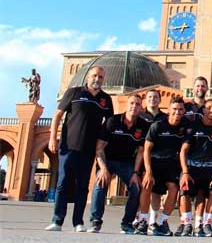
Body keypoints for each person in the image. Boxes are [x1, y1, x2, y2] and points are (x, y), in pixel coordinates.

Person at [46, 66, 113, 232]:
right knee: (62, 183)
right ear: (88, 77)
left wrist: (102, 143)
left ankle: (78, 222)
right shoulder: (74, 92)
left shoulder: (105, 99)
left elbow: (110, 123)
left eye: (101, 77)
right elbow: (57, 116)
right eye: (94, 76)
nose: (97, 79)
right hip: (68, 146)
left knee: (82, 186)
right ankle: (57, 221)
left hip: (89, 149)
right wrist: (53, 138)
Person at [88, 94, 149, 234]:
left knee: (135, 187)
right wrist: (103, 168)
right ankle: (95, 220)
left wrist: (135, 173)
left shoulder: (143, 125)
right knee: (100, 184)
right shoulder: (112, 121)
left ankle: (127, 223)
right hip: (107, 160)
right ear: (127, 105)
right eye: (132, 103)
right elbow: (99, 148)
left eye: (138, 104)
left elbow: (141, 152)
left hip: (127, 163)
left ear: (141, 107)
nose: (134, 106)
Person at [142, 97, 191, 236]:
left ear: (184, 111)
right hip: (154, 162)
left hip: (171, 164)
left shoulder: (186, 126)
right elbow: (146, 150)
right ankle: (145, 221)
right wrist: (148, 171)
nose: (177, 112)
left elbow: (184, 149)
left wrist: (185, 171)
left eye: (180, 109)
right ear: (168, 110)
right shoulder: (157, 125)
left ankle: (162, 222)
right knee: (148, 186)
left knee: (174, 188)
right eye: (174, 109)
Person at [179, 98, 212, 237]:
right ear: (203, 110)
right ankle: (187, 224)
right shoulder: (194, 126)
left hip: (210, 170)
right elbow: (183, 151)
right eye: (209, 108)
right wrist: (185, 172)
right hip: (191, 169)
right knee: (184, 190)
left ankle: (204, 225)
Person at [134, 89, 167, 234]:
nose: (152, 99)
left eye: (155, 97)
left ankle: (152, 220)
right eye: (150, 97)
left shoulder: (164, 118)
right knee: (140, 187)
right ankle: (139, 218)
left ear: (160, 100)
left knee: (156, 190)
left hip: (158, 158)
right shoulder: (139, 116)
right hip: (140, 155)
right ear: (145, 100)